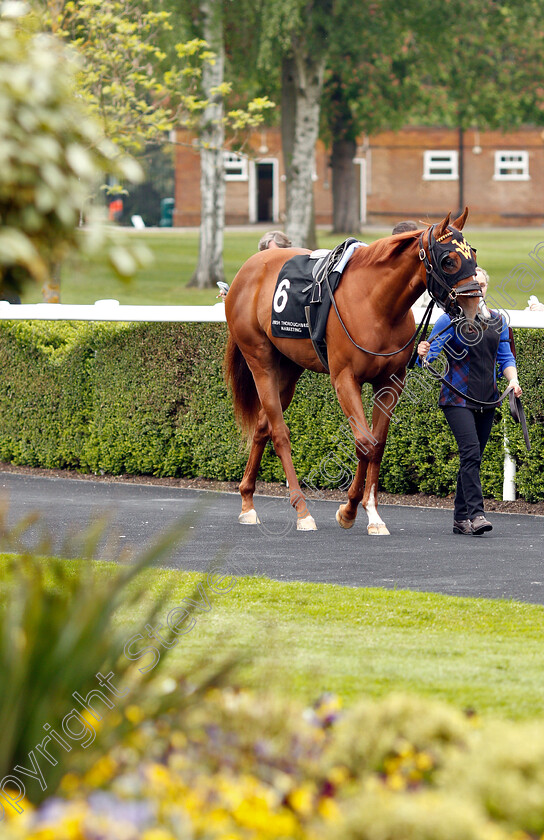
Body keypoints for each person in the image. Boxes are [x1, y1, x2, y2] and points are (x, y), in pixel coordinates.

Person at [417, 266, 522, 537]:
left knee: (472, 457)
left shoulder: (498, 321)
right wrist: (423, 353)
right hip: (457, 400)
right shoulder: (448, 322)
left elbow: (505, 357)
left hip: (488, 399)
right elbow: (430, 359)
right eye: (472, 286)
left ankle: (459, 518)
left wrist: (513, 380)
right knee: (471, 453)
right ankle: (476, 514)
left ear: (486, 288)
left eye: (482, 286)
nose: (477, 291)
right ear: (461, 290)